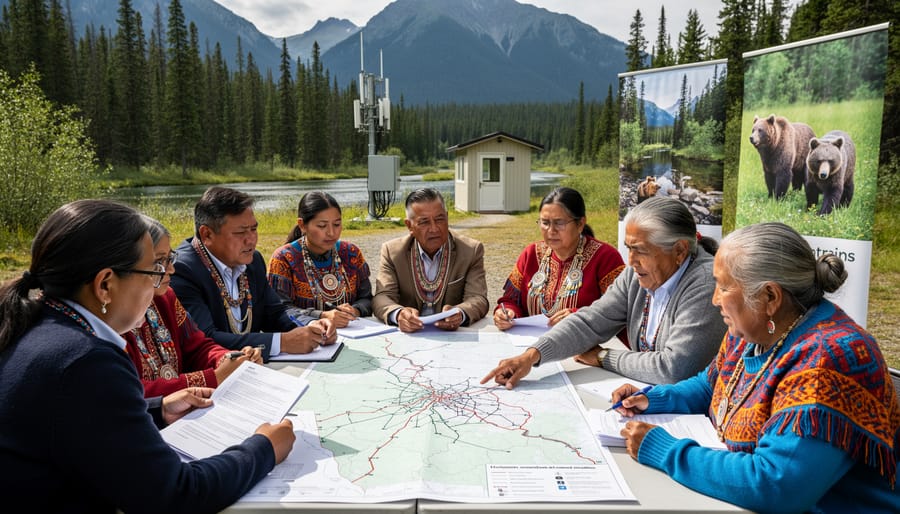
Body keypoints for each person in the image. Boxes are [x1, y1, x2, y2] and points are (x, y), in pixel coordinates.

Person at [0, 200, 294, 512]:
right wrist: (263, 449)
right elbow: (175, 495)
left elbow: (80, 423)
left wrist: (157, 410)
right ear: (105, 285)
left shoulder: (40, 325)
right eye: (152, 270)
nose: (161, 282)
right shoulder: (86, 361)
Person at [614, 222, 899, 513]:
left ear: (770, 298)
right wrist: (653, 398)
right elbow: (710, 385)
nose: (715, 300)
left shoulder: (828, 361)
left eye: (724, 287)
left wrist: (665, 451)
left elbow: (774, 485)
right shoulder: (753, 330)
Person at [482, 197, 726, 386]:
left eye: (640, 250)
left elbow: (673, 368)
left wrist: (602, 357)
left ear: (680, 250)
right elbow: (591, 321)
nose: (631, 261)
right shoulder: (636, 274)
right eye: (629, 248)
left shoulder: (704, 285)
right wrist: (532, 356)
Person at [171, 186, 336, 359]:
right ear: (207, 234)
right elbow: (205, 339)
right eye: (241, 232)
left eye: (254, 229)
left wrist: (312, 326)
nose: (251, 239)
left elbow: (275, 313)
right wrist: (282, 342)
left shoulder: (253, 261)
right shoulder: (182, 270)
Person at [123, 216, 263, 397]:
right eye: (160, 261)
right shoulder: (112, 319)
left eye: (170, 258)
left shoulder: (166, 298)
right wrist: (213, 378)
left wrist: (228, 358)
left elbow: (197, 347)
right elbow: (129, 391)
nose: (171, 269)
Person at [493, 187, 624, 329]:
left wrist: (579, 316)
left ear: (580, 224)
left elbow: (619, 309)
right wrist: (507, 313)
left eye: (559, 223)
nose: (551, 231)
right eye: (545, 222)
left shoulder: (605, 257)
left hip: (582, 346)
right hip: (532, 344)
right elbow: (510, 300)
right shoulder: (531, 254)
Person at [373, 188, 489, 333]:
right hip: (410, 336)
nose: (434, 229)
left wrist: (460, 312)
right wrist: (399, 314)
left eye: (440, 219)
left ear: (447, 217)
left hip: (453, 337)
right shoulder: (392, 252)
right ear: (409, 226)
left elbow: (478, 298)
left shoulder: (471, 250)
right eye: (424, 222)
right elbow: (382, 297)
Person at [268, 192, 372, 328]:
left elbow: (368, 298)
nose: (331, 233)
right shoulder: (284, 259)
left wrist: (355, 310)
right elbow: (280, 310)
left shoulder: (351, 253)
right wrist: (321, 316)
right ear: (302, 225)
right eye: (322, 226)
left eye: (336, 224)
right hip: (304, 339)